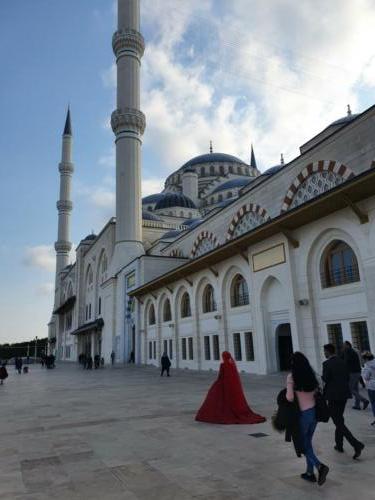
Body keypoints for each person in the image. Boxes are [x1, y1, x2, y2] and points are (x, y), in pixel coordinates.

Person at [286, 352, 329, 485]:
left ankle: (319, 466)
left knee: (303, 444)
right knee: (308, 442)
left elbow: (290, 397)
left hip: (302, 414)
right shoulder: (312, 375)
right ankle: (309, 473)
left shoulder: (292, 377)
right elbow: (318, 390)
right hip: (314, 413)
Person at [195, 351, 266, 425]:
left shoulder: (223, 365)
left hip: (223, 385)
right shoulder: (232, 365)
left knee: (214, 396)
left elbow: (221, 376)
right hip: (231, 386)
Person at [322, 343, 364, 459]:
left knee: (338, 422)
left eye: (325, 351)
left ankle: (356, 444)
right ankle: (339, 444)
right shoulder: (342, 362)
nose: (324, 354)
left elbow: (325, 378)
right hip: (344, 394)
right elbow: (346, 377)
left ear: (328, 351)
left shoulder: (327, 364)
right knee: (339, 419)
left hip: (333, 396)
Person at [342, 341, 369, 410]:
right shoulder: (353, 351)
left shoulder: (347, 351)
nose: (343, 346)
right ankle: (357, 405)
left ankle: (364, 400)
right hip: (357, 372)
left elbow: (346, 362)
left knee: (350, 389)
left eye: (344, 345)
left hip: (352, 373)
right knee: (355, 389)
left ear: (348, 345)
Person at [361, 351, 375, 426]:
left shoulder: (367, 366)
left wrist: (362, 370)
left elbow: (366, 377)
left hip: (372, 386)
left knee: (374, 403)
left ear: (366, 358)